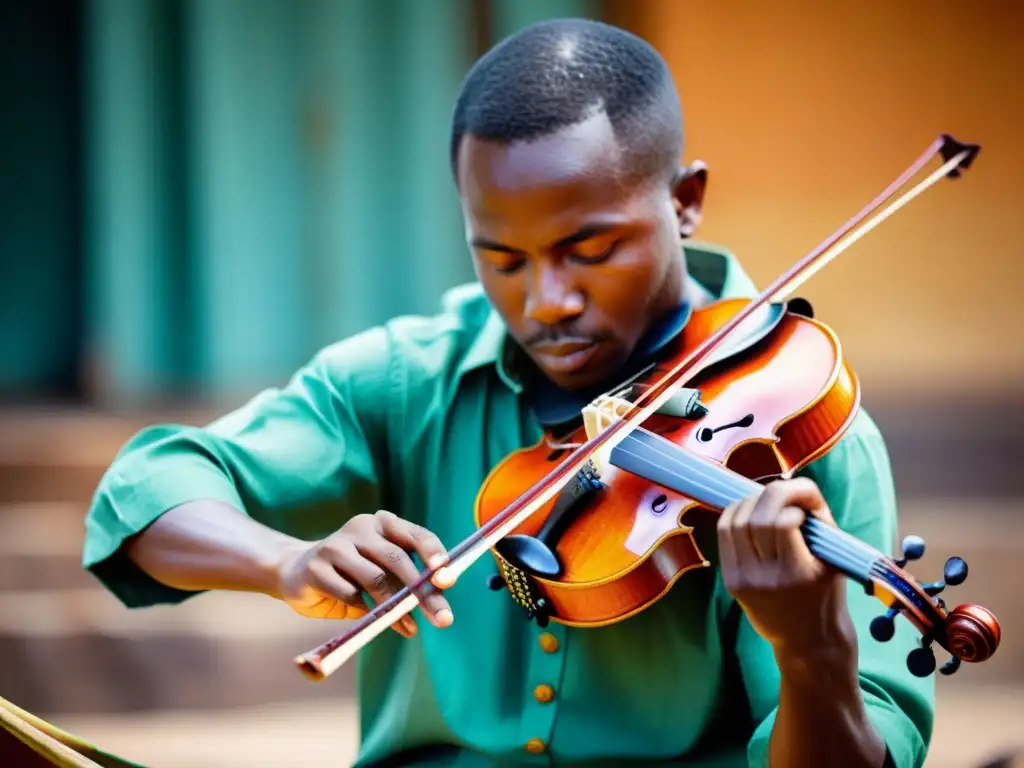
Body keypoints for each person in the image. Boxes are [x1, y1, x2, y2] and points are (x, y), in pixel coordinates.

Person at [83, 17, 935, 768]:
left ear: (684, 202)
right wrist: (285, 562)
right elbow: (150, 488)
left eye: (590, 250)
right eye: (502, 259)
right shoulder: (408, 379)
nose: (547, 302)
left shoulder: (801, 435)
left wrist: (814, 652)